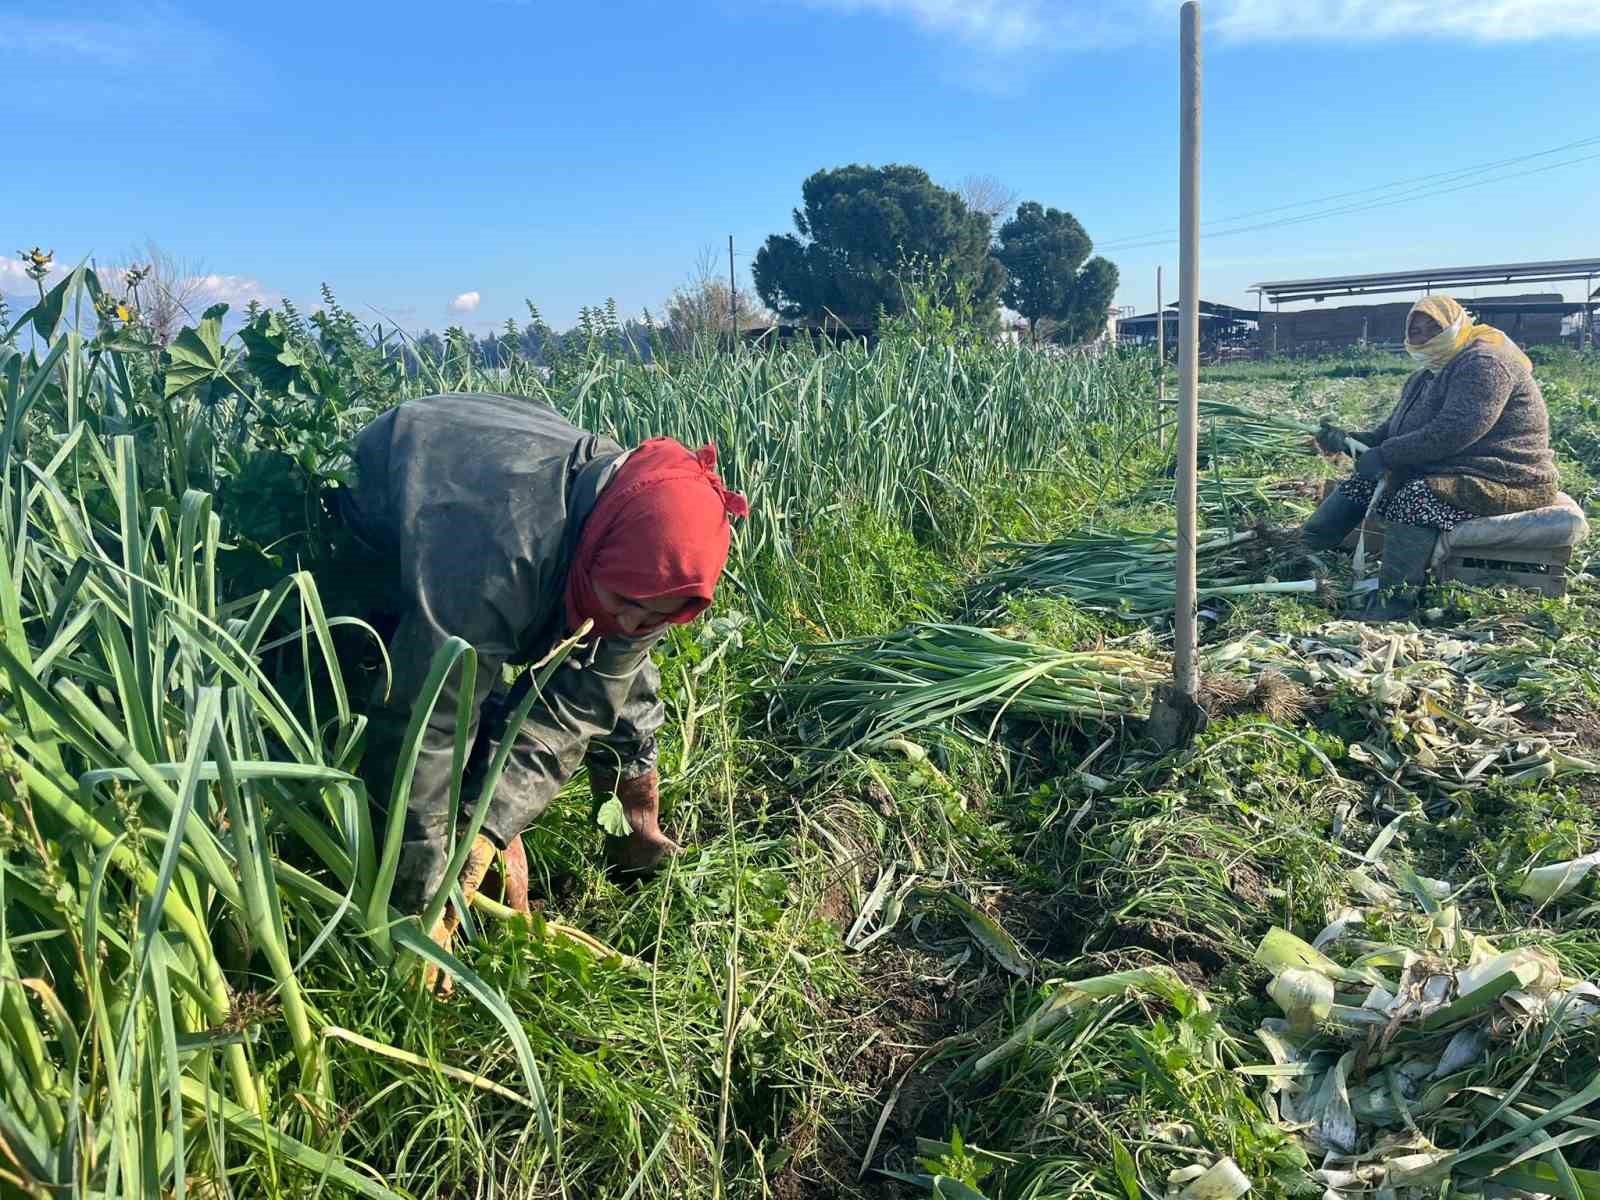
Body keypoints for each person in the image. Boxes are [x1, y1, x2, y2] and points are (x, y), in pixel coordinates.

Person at [335, 392, 747, 956]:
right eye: (624, 597)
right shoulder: (502, 559)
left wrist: (492, 821)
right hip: (399, 487)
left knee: (623, 669)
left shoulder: (651, 555)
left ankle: (635, 830)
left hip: (514, 475)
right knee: (397, 672)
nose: (631, 620)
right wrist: (421, 896)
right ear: (596, 549)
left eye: (655, 615)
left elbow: (585, 700)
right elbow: (430, 720)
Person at [1301, 296, 1557, 619]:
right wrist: (1349, 442)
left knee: (1415, 497)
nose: (1423, 337)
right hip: (1455, 468)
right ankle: (1304, 550)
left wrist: (1387, 454)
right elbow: (1389, 434)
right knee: (1364, 480)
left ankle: (1393, 604)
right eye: (1416, 330)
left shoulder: (1485, 362)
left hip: (1506, 476)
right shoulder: (1425, 376)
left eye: (1433, 327)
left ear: (1456, 324)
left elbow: (1455, 431)